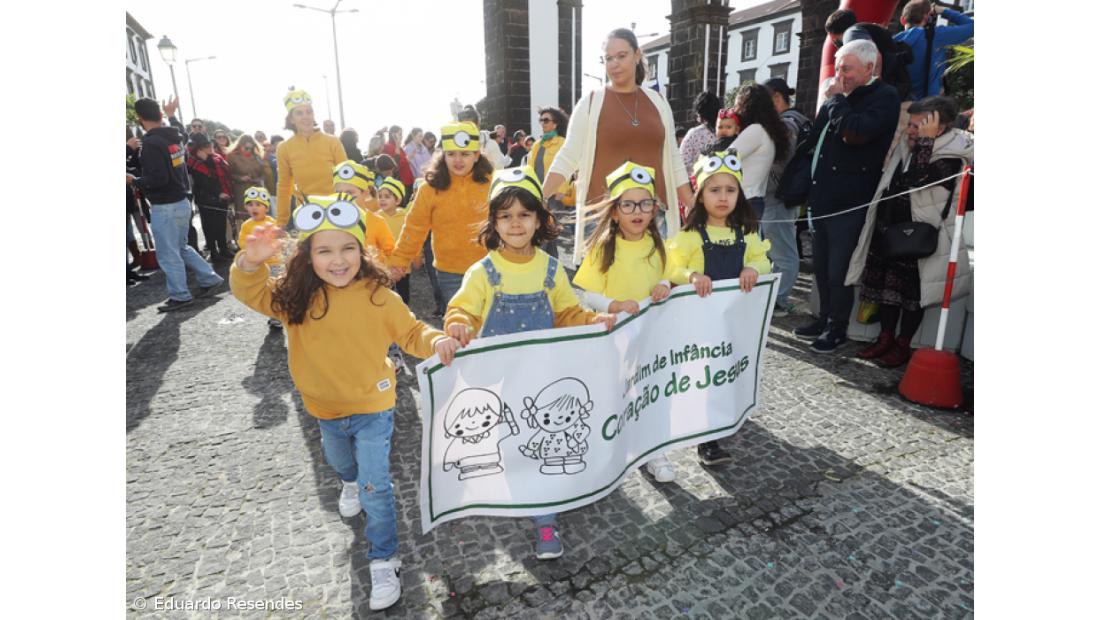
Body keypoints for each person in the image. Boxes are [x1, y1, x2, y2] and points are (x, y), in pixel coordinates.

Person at [230, 197, 460, 612]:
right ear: (307, 256)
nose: (338, 260)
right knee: (341, 463)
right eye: (325, 251)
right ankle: (349, 481)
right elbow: (252, 293)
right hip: (324, 410)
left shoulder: (379, 296)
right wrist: (251, 263)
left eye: (347, 248)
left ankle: (384, 558)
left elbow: (411, 333)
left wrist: (437, 339)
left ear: (362, 250)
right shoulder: (294, 297)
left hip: (374, 406)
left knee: (377, 487)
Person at [444, 167, 615, 560]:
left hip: (542, 378)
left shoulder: (551, 269)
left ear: (540, 219)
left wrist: (592, 320)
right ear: (493, 222)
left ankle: (545, 517)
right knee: (508, 444)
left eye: (524, 214)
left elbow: (567, 312)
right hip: (498, 381)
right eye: (505, 215)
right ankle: (507, 489)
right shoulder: (483, 272)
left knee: (539, 445)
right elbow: (462, 309)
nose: (515, 223)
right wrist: (458, 323)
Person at [543, 28, 693, 260]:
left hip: (653, 215)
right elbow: (568, 157)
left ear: (637, 55)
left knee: (656, 280)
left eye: (621, 56)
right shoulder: (591, 103)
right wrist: (538, 198)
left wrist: (691, 204)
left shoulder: (659, 102)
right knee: (604, 282)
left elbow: (673, 160)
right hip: (603, 217)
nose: (614, 64)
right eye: (608, 58)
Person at [845, 96, 972, 367]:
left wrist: (925, 143)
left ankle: (902, 345)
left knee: (911, 296)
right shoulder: (909, 145)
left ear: (938, 126)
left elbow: (918, 180)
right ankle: (885, 338)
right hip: (890, 229)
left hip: (919, 235)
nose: (910, 130)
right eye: (910, 124)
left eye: (917, 126)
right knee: (886, 293)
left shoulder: (950, 154)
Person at [794, 39, 900, 353]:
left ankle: (836, 328)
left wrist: (837, 100)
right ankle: (824, 317)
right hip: (822, 197)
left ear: (869, 67)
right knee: (821, 266)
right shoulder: (838, 96)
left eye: (848, 69)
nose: (841, 75)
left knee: (838, 270)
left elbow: (855, 132)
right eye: (838, 68)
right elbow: (818, 137)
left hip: (850, 201)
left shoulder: (885, 96)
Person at [572, 161, 676, 482]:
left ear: (654, 210)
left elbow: (673, 275)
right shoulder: (604, 248)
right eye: (628, 204)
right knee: (618, 393)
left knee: (653, 391)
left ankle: (655, 451)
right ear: (615, 212)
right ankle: (615, 448)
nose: (637, 211)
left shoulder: (660, 246)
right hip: (616, 337)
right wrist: (614, 305)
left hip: (652, 337)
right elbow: (589, 294)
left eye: (645, 204)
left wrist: (666, 285)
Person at [667, 150, 771, 464]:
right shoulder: (689, 236)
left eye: (730, 190)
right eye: (714, 190)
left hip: (733, 322)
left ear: (740, 194)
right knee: (706, 375)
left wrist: (753, 269)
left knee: (730, 369)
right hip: (700, 325)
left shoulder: (747, 233)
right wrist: (691, 276)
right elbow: (672, 268)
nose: (723, 197)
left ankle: (729, 413)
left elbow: (762, 260)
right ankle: (707, 440)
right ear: (700, 196)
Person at [127, 97, 225, 312]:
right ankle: (209, 278)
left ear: (140, 118)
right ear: (160, 114)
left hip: (166, 206)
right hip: (181, 202)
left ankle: (180, 296)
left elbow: (157, 179)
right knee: (181, 247)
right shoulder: (174, 136)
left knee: (168, 253)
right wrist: (171, 116)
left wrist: (134, 180)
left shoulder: (151, 143)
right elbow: (183, 132)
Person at [386, 121, 492, 304]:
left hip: (490, 268)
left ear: (476, 155)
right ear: (443, 155)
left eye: (465, 154)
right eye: (451, 154)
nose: (457, 160)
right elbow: (414, 227)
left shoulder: (494, 183)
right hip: (450, 273)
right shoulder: (429, 188)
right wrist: (400, 259)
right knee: (458, 320)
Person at [761, 77, 811, 316]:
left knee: (783, 254)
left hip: (777, 197)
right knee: (780, 251)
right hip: (785, 196)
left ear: (776, 97)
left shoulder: (786, 125)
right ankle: (776, 299)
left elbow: (779, 164)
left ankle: (778, 300)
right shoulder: (798, 120)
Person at [274, 88, 348, 228]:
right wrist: (281, 222)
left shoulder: (333, 142)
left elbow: (347, 178)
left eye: (309, 112)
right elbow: (284, 186)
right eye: (299, 113)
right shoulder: (284, 148)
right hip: (306, 214)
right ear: (291, 119)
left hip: (337, 210)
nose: (306, 117)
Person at [729, 83, 789, 225]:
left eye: (737, 106)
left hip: (744, 199)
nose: (734, 111)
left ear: (746, 107)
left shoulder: (756, 130)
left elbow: (725, 159)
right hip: (755, 200)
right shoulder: (766, 132)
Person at [825, 8, 913, 101]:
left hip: (892, 89)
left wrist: (875, 88)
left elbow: (874, 54)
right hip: (899, 86)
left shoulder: (851, 33)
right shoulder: (862, 29)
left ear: (831, 35)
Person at [895, 0, 974, 101]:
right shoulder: (936, 36)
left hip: (898, 102)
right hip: (927, 104)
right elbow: (972, 26)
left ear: (902, 20)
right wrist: (942, 11)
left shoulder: (893, 40)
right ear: (927, 18)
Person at [236, 186, 283, 330]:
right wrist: (250, 246)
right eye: (250, 204)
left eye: (258, 204)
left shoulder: (272, 222)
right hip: (259, 266)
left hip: (274, 263)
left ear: (266, 207)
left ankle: (276, 316)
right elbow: (241, 241)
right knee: (262, 291)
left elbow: (279, 240)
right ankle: (272, 313)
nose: (254, 207)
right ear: (246, 207)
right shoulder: (246, 225)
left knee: (275, 290)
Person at [331, 161, 394, 260]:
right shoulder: (330, 223)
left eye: (349, 193)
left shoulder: (377, 222)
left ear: (365, 193)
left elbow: (391, 254)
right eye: (338, 193)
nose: (343, 197)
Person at [187, 132, 235, 261]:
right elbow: (203, 181)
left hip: (221, 197)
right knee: (209, 227)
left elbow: (224, 175)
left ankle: (223, 249)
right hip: (206, 199)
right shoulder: (193, 162)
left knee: (221, 225)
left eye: (209, 144)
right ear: (199, 149)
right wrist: (218, 193)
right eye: (206, 146)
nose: (210, 147)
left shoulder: (216, 158)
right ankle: (214, 252)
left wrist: (208, 159)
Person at [376, 177, 419, 304]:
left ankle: (404, 314)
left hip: (402, 265)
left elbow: (412, 238)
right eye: (380, 196)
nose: (382, 199)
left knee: (403, 295)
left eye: (387, 196)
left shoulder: (405, 218)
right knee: (385, 295)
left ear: (398, 200)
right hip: (383, 265)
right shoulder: (375, 217)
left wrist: (417, 257)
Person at [226, 133, 273, 227]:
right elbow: (228, 174)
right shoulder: (231, 157)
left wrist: (260, 178)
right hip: (241, 191)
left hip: (257, 189)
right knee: (244, 217)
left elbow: (263, 173)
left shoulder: (257, 157)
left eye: (250, 148)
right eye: (246, 148)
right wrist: (240, 178)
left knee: (259, 215)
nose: (248, 150)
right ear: (240, 146)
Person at [678, 91, 721, 178]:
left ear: (699, 113)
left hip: (698, 181)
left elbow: (682, 162)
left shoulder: (693, 134)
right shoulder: (727, 132)